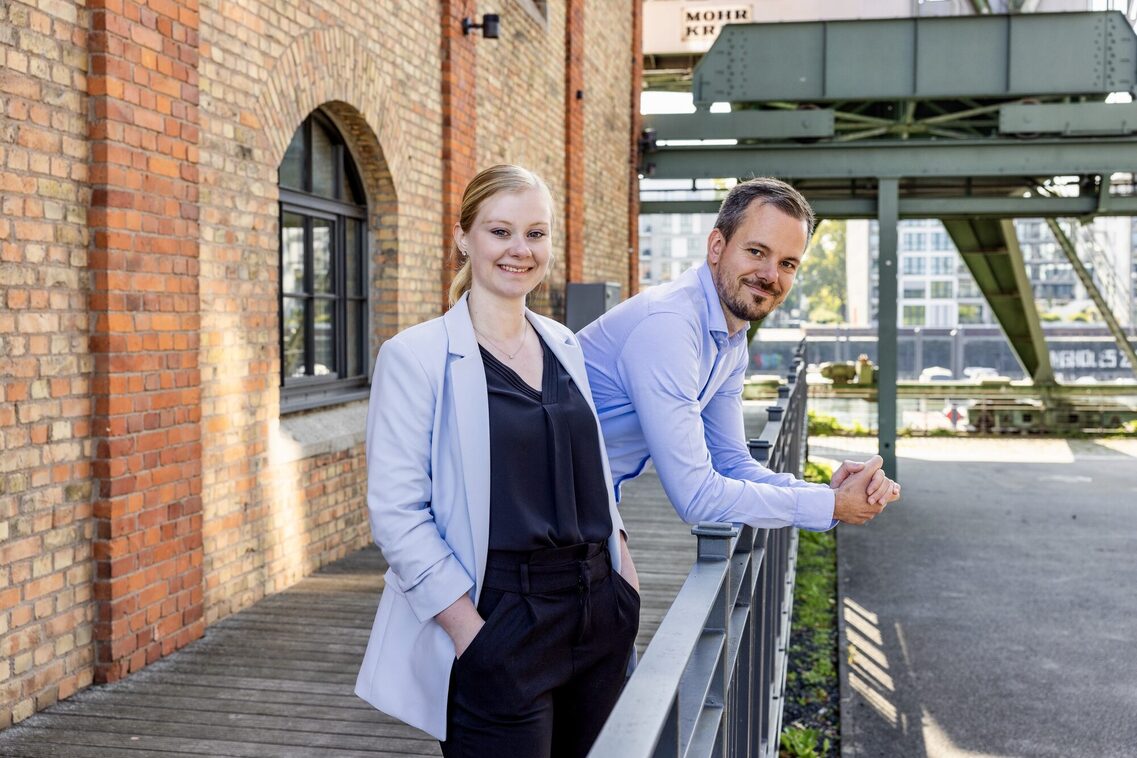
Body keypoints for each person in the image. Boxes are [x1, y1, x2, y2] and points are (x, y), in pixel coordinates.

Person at [355, 165, 640, 758]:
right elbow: (397, 512)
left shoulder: (564, 343)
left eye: (536, 234)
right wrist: (472, 635)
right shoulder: (416, 357)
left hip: (597, 611)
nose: (520, 250)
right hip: (501, 619)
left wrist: (626, 582)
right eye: (500, 231)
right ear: (464, 238)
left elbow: (593, 472)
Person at [578, 177, 901, 531]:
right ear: (717, 246)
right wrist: (831, 504)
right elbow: (697, 497)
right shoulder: (669, 326)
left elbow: (731, 463)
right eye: (757, 252)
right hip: (526, 510)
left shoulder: (729, 337)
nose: (769, 275)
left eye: (788, 264)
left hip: (582, 507)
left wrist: (827, 495)